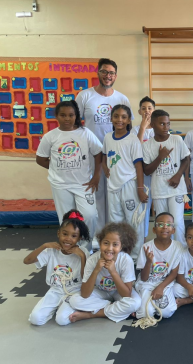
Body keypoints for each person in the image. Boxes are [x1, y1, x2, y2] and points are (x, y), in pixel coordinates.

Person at [76, 58, 134, 233]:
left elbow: (129, 128)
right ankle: (100, 235)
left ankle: (117, 234)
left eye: (111, 73)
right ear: (98, 73)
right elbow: (76, 124)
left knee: (116, 196)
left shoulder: (122, 98)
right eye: (104, 72)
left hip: (116, 155)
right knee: (97, 195)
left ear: (116, 75)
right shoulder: (85, 95)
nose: (108, 76)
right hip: (93, 154)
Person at [36, 100, 102, 251]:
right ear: (56, 116)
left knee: (90, 215)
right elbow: (40, 158)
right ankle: (70, 248)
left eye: (71, 115)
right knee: (67, 220)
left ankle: (86, 248)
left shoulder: (85, 133)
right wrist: (57, 169)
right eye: (63, 115)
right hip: (60, 185)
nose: (67, 118)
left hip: (84, 183)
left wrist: (96, 176)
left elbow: (99, 154)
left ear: (76, 116)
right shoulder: (50, 136)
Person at [56, 222, 141, 325]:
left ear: (121, 246)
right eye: (106, 243)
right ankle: (114, 307)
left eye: (115, 244)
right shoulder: (92, 260)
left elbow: (126, 294)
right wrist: (96, 270)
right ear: (100, 243)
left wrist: (113, 272)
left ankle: (92, 314)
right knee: (75, 300)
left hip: (118, 292)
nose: (109, 248)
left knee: (135, 303)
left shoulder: (126, 260)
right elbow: (85, 293)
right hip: (100, 291)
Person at [24, 210, 90, 325]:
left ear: (79, 238)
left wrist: (83, 257)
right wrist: (44, 246)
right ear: (58, 233)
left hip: (74, 292)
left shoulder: (82, 252)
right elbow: (27, 261)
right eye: (65, 234)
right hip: (55, 291)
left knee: (62, 320)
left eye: (74, 236)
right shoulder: (51, 251)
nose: (68, 239)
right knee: (35, 319)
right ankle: (56, 307)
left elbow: (86, 279)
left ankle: (71, 308)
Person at [102, 104, 148, 263]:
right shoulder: (108, 137)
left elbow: (139, 166)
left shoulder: (132, 140)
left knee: (133, 222)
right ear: (111, 118)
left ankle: (135, 259)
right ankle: (120, 256)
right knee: (116, 223)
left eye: (123, 117)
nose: (119, 120)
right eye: (116, 116)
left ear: (129, 120)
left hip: (129, 185)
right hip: (112, 186)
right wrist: (104, 167)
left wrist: (140, 189)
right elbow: (104, 155)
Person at [142, 110, 190, 246]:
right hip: (159, 191)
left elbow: (186, 159)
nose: (166, 127)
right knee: (163, 223)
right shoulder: (147, 146)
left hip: (176, 189)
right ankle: (165, 250)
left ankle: (181, 251)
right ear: (152, 125)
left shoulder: (177, 139)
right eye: (162, 124)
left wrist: (178, 175)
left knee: (177, 222)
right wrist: (160, 157)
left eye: (168, 124)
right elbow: (146, 170)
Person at [135, 212, 182, 320]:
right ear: (154, 230)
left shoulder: (177, 247)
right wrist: (148, 262)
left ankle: (157, 302)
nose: (165, 227)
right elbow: (144, 278)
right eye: (160, 224)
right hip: (147, 283)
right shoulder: (146, 247)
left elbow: (174, 273)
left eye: (169, 224)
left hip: (165, 283)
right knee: (146, 313)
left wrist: (160, 287)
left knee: (166, 313)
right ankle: (146, 302)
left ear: (173, 230)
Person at [132, 96, 156, 238]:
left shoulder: (159, 128)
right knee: (144, 205)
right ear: (139, 112)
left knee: (158, 205)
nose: (147, 111)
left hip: (157, 171)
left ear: (154, 110)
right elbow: (136, 147)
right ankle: (143, 235)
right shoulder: (135, 130)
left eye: (149, 108)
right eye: (143, 108)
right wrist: (142, 127)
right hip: (142, 172)